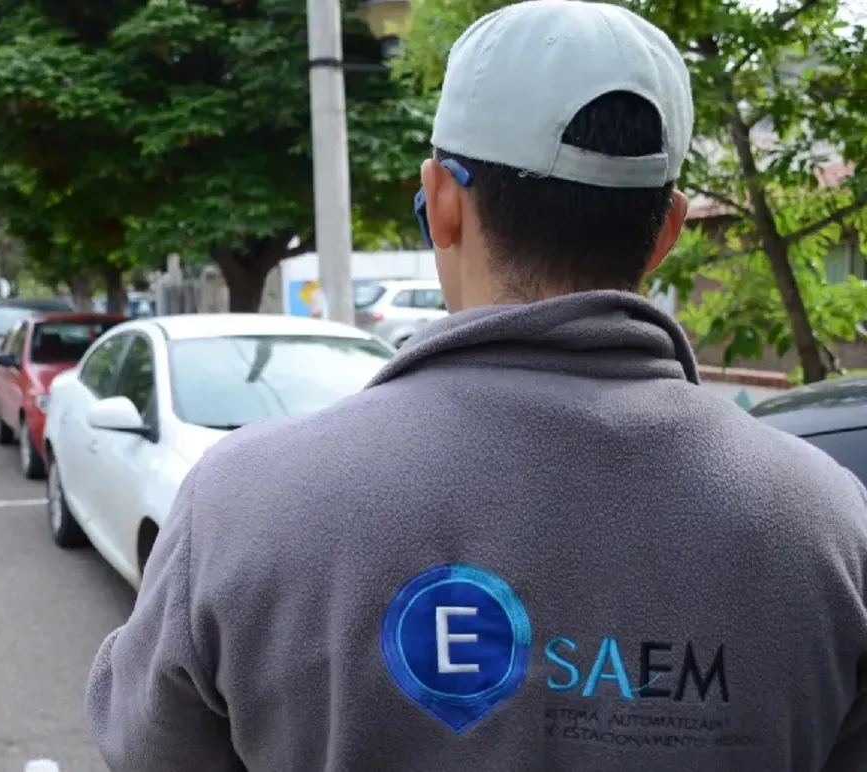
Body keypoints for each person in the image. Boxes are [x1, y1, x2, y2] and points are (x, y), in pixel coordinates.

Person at [86, 1, 867, 770]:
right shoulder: (829, 528)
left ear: (444, 203)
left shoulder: (243, 500)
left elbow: (145, 745)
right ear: (666, 231)